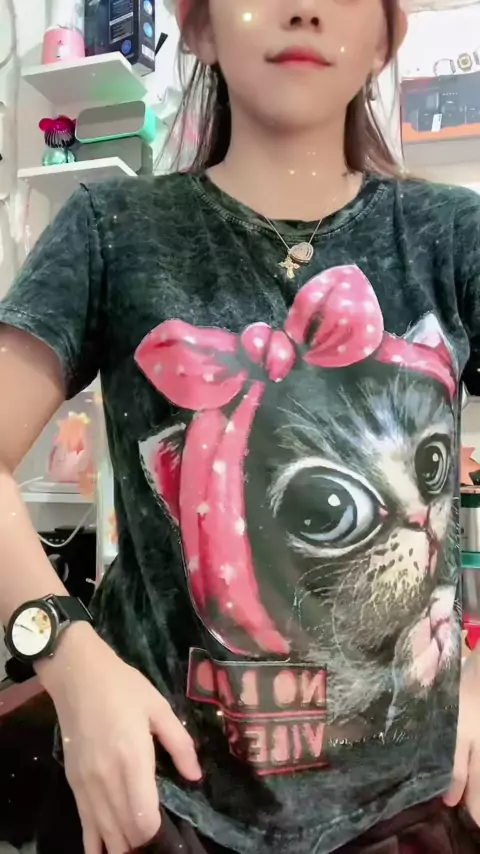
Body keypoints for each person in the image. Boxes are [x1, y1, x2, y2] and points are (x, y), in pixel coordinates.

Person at [0, 0, 480, 852]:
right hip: (161, 798)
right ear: (199, 27)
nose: (303, 8)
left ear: (385, 36)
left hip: (414, 801)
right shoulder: (111, 231)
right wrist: (68, 659)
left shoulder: (454, 236)